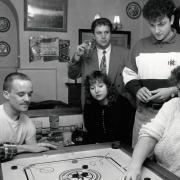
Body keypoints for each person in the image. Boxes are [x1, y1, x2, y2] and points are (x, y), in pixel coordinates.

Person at [122, 0, 180, 148]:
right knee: (140, 162)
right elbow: (129, 73)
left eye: (161, 24)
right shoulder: (139, 45)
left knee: (169, 166)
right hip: (144, 114)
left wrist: (173, 91)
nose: (157, 30)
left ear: (172, 19)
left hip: (175, 115)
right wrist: (137, 89)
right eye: (152, 25)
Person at [123, 65, 180, 179]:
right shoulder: (173, 104)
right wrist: (134, 166)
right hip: (161, 172)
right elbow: (149, 135)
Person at [68, 17, 134, 108]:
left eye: (106, 32)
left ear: (111, 34)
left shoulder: (125, 53)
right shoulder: (85, 53)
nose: (103, 36)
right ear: (93, 36)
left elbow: (132, 81)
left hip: (118, 106)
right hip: (91, 105)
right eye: (99, 33)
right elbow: (72, 75)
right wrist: (77, 56)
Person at [0, 72, 57, 162]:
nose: (27, 99)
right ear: (6, 94)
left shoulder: (27, 123)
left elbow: (32, 154)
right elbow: (28, 148)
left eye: (29, 94)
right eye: (21, 94)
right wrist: (24, 148)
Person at [83, 70, 135, 145]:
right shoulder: (89, 106)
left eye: (100, 86)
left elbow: (130, 132)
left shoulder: (122, 103)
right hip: (98, 148)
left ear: (107, 86)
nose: (96, 91)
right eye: (92, 88)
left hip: (121, 147)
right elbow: (90, 133)